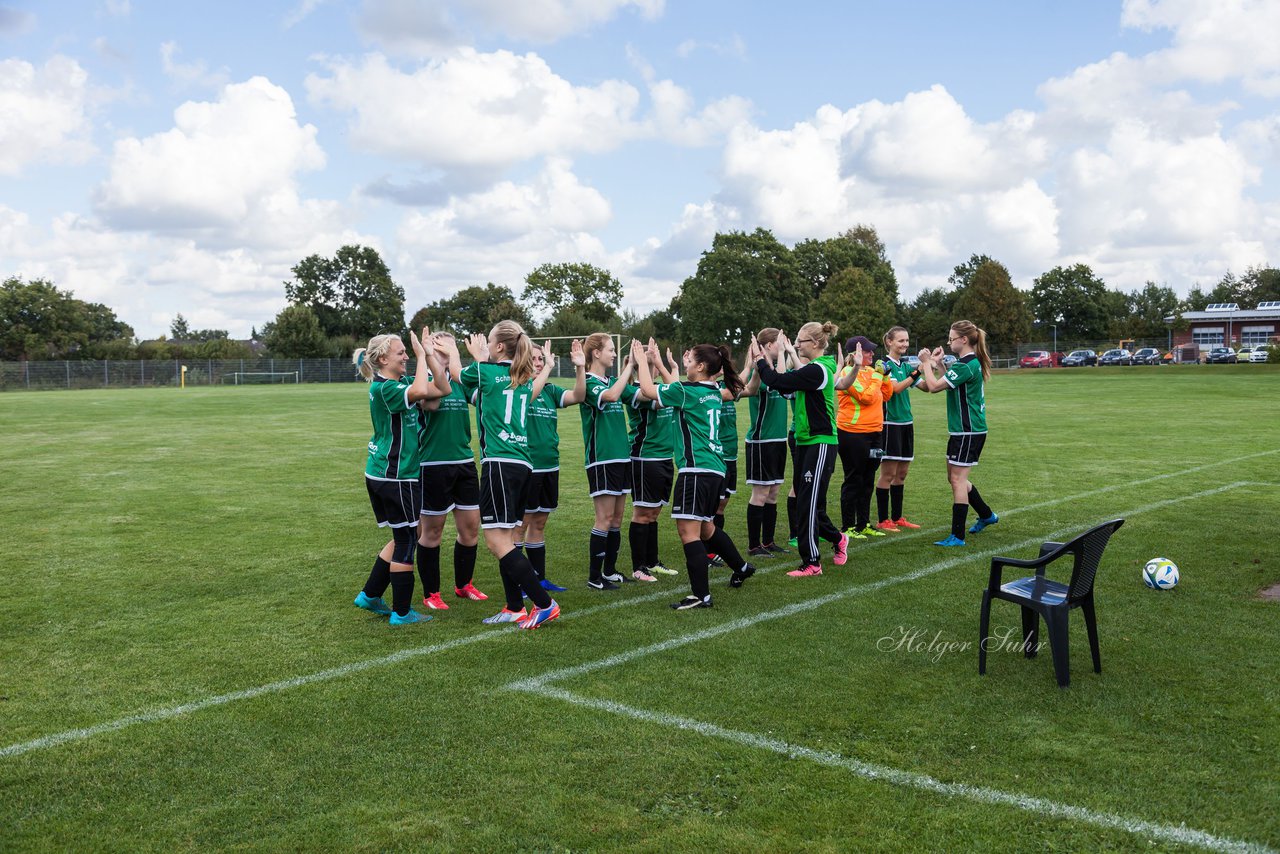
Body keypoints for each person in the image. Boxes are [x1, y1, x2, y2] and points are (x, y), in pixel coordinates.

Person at [631, 339, 756, 609]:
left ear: (700, 366)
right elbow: (734, 387)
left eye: (689, 361)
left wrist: (643, 361)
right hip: (715, 468)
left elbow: (647, 390)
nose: (685, 363)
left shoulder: (686, 390)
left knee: (689, 532)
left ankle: (701, 596)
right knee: (706, 527)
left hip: (696, 470)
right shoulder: (713, 390)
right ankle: (742, 567)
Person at [453, 321, 561, 628]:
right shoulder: (524, 377)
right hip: (522, 465)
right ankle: (515, 607)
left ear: (499, 347)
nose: (484, 345)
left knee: (496, 541)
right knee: (508, 539)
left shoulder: (488, 371)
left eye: (488, 342)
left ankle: (544, 603)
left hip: (500, 464)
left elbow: (460, 376)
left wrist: (462, 353)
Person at [352, 328, 451, 625]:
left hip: (391, 473)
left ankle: (370, 595)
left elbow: (442, 388)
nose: (406, 356)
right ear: (383, 359)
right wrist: (422, 355)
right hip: (396, 475)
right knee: (408, 539)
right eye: (401, 353)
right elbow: (422, 391)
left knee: (402, 536)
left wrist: (429, 356)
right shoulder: (384, 389)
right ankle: (402, 612)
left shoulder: (400, 383)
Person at [750, 322, 849, 577]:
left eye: (800, 341)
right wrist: (787, 355)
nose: (795, 344)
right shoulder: (812, 369)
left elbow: (775, 380)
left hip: (820, 442)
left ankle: (812, 563)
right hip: (806, 441)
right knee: (809, 504)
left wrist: (760, 359)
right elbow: (785, 386)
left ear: (815, 344)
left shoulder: (817, 370)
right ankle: (838, 539)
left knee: (807, 504)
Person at [415, 331, 486, 611]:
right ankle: (431, 592)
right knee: (432, 532)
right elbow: (430, 404)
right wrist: (433, 360)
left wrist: (483, 359)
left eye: (449, 348)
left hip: (464, 463)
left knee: (470, 529)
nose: (445, 352)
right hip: (432, 465)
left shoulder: (461, 383)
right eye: (438, 348)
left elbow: (487, 393)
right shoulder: (422, 383)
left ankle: (463, 585)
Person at [915, 319, 997, 547]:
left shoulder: (965, 365)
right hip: (963, 432)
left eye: (952, 338)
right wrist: (939, 365)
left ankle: (957, 536)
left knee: (957, 480)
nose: (949, 341)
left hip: (968, 432)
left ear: (963, 340)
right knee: (954, 478)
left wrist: (926, 363)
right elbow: (947, 382)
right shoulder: (967, 364)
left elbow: (933, 387)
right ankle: (987, 515)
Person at [514, 339, 587, 592]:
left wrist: (580, 367)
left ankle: (539, 578)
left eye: (540, 359)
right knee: (520, 525)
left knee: (540, 522)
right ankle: (520, 582)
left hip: (550, 466)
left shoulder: (550, 390)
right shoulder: (519, 388)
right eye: (533, 358)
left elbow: (579, 395)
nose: (537, 363)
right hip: (527, 467)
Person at [580, 333, 636, 590]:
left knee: (616, 517)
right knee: (604, 518)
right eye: (611, 350)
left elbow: (639, 396)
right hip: (602, 459)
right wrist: (629, 367)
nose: (614, 354)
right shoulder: (589, 383)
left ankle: (610, 571)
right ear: (596, 353)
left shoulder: (613, 380)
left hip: (622, 457)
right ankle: (594, 576)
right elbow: (612, 396)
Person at [625, 341, 679, 582]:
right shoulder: (637, 391)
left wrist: (660, 361)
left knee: (654, 513)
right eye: (651, 365)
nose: (655, 368)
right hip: (645, 458)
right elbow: (664, 396)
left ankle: (652, 561)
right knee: (642, 513)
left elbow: (677, 391)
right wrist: (647, 362)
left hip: (665, 458)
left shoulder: (658, 387)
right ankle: (638, 567)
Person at [833, 335, 893, 540]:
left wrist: (884, 377)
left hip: (874, 432)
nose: (871, 354)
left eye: (871, 350)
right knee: (853, 479)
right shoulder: (847, 372)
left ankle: (863, 523)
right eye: (867, 351)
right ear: (854, 354)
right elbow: (866, 398)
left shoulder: (871, 372)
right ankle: (848, 526)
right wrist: (878, 377)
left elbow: (887, 395)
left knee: (868, 479)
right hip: (852, 433)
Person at [740, 328, 790, 558]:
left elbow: (784, 377)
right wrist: (757, 360)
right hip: (762, 442)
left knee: (773, 493)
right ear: (769, 345)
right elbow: (773, 381)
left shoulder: (778, 370)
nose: (781, 345)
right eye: (779, 342)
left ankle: (768, 541)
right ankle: (753, 545)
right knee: (760, 494)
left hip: (779, 440)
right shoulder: (760, 373)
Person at [876, 326, 924, 531]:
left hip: (906, 423)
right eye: (900, 341)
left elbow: (927, 387)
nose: (904, 344)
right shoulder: (884, 365)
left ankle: (897, 517)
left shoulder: (905, 366)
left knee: (902, 473)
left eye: (906, 341)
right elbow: (894, 389)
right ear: (889, 342)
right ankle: (882, 519)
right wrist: (917, 372)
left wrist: (932, 365)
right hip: (890, 424)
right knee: (888, 474)